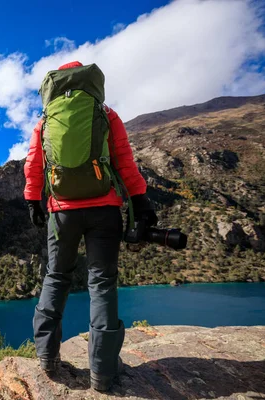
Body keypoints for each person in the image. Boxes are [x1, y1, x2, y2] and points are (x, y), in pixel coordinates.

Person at [24, 61, 157, 391]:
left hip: (62, 213)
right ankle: (102, 371)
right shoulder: (106, 114)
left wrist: (32, 200)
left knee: (56, 276)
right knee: (101, 284)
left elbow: (34, 164)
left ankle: (47, 358)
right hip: (104, 209)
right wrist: (139, 199)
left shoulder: (44, 122)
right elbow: (124, 159)